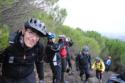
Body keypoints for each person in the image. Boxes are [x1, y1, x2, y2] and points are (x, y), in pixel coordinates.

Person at [0, 18, 47, 83]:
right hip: (8, 78)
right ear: (23, 30)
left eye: (37, 36)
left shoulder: (39, 47)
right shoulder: (9, 43)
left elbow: (39, 62)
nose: (34, 39)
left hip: (28, 77)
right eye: (31, 33)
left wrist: (41, 79)